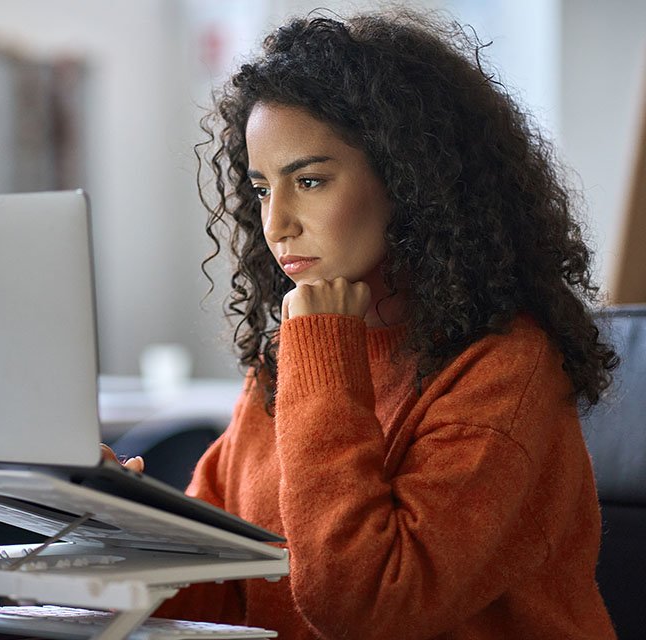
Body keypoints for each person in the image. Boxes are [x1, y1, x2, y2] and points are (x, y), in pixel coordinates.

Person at [147, 8, 619, 639]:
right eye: (261, 189)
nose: (276, 222)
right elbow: (226, 592)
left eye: (309, 181)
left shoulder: (508, 369)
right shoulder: (290, 363)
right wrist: (119, 529)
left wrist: (322, 358)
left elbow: (365, 606)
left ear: (409, 180)